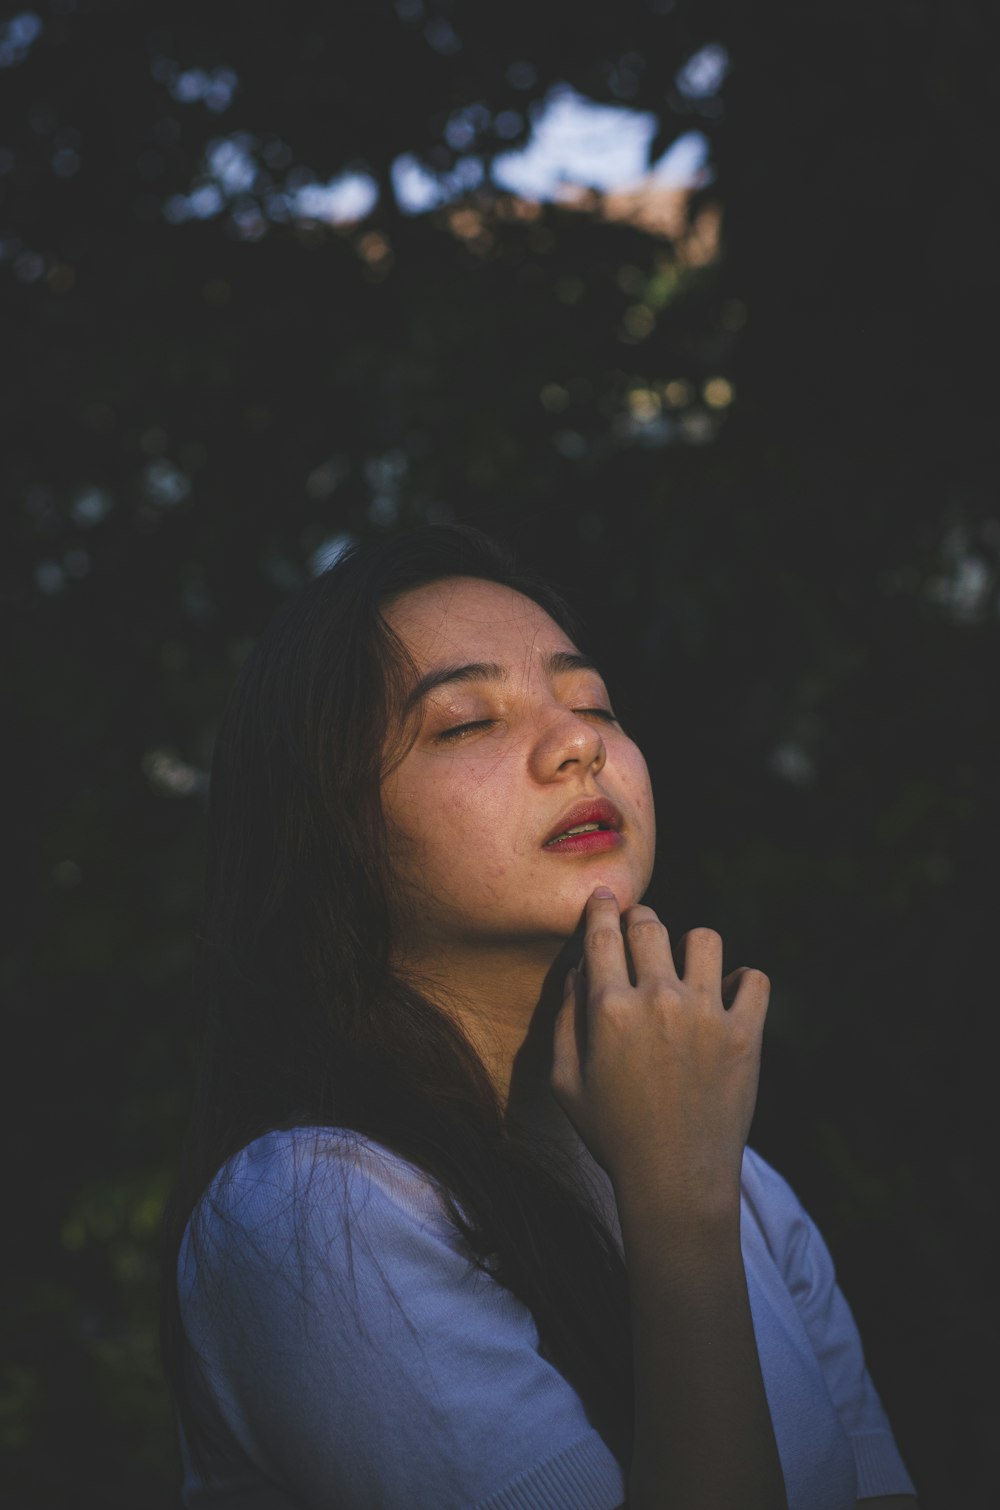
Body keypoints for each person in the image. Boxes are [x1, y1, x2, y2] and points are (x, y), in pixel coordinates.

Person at [160, 523, 919, 1509]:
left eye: (590, 700)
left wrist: (693, 1182)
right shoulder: (315, 1211)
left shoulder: (740, 1182)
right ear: (329, 835)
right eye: (467, 722)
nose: (577, 744)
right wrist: (678, 1211)